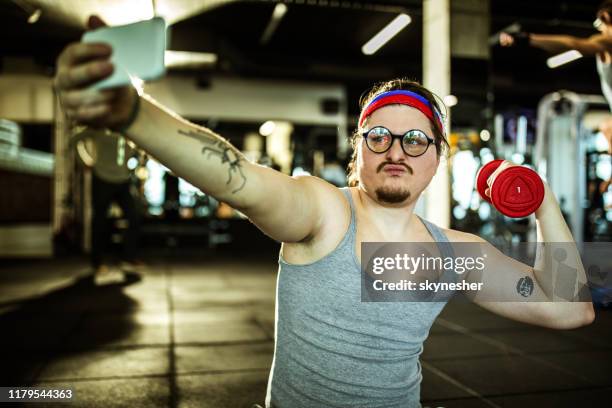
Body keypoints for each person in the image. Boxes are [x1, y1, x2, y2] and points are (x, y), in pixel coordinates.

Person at [55, 15, 595, 408]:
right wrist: (132, 113)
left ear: (437, 159)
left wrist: (541, 201)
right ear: (357, 151)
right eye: (379, 135)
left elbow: (568, 308)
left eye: (415, 140)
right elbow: (237, 178)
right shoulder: (324, 211)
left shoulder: (454, 255)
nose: (396, 151)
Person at [499, 0, 612, 155]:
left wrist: (529, 39)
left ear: (605, 17)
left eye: (599, 25)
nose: (600, 30)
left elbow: (573, 43)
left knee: (607, 127)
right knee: (606, 127)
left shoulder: (607, 41)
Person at [70, 127, 142, 285]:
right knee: (100, 220)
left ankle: (128, 257)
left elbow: (137, 146)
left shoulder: (127, 127)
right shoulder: (98, 126)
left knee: (133, 217)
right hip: (102, 178)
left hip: (122, 179)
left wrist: (131, 165)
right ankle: (97, 262)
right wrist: (86, 162)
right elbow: (75, 139)